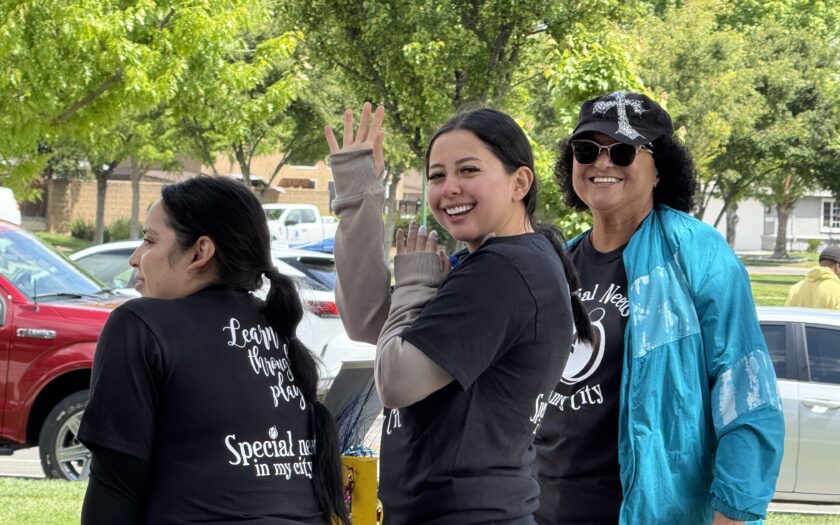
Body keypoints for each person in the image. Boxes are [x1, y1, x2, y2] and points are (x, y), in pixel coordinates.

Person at [324, 103, 592, 524]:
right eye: (436, 175)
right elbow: (370, 321)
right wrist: (359, 196)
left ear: (520, 182)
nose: (449, 188)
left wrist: (413, 286)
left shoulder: (504, 269)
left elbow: (397, 380)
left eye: (468, 170)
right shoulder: (491, 262)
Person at [539, 91, 785, 525]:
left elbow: (747, 394)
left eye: (622, 151)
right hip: (539, 510)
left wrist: (733, 513)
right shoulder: (558, 264)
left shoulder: (697, 254)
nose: (602, 162)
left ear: (660, 169)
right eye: (586, 150)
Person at [78, 176, 349, 525]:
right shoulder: (274, 325)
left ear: (200, 252)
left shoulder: (140, 324)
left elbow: (115, 487)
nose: (134, 258)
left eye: (149, 240)